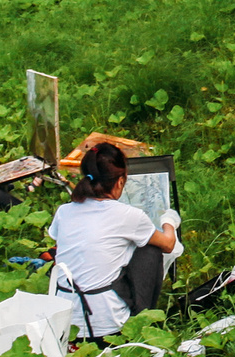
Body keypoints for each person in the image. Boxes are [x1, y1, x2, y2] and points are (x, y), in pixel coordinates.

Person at [49, 141, 181, 340]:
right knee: (150, 250)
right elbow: (168, 244)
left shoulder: (64, 211)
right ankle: (140, 321)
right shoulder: (128, 215)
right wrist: (169, 221)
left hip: (65, 324)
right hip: (107, 326)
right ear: (120, 181)